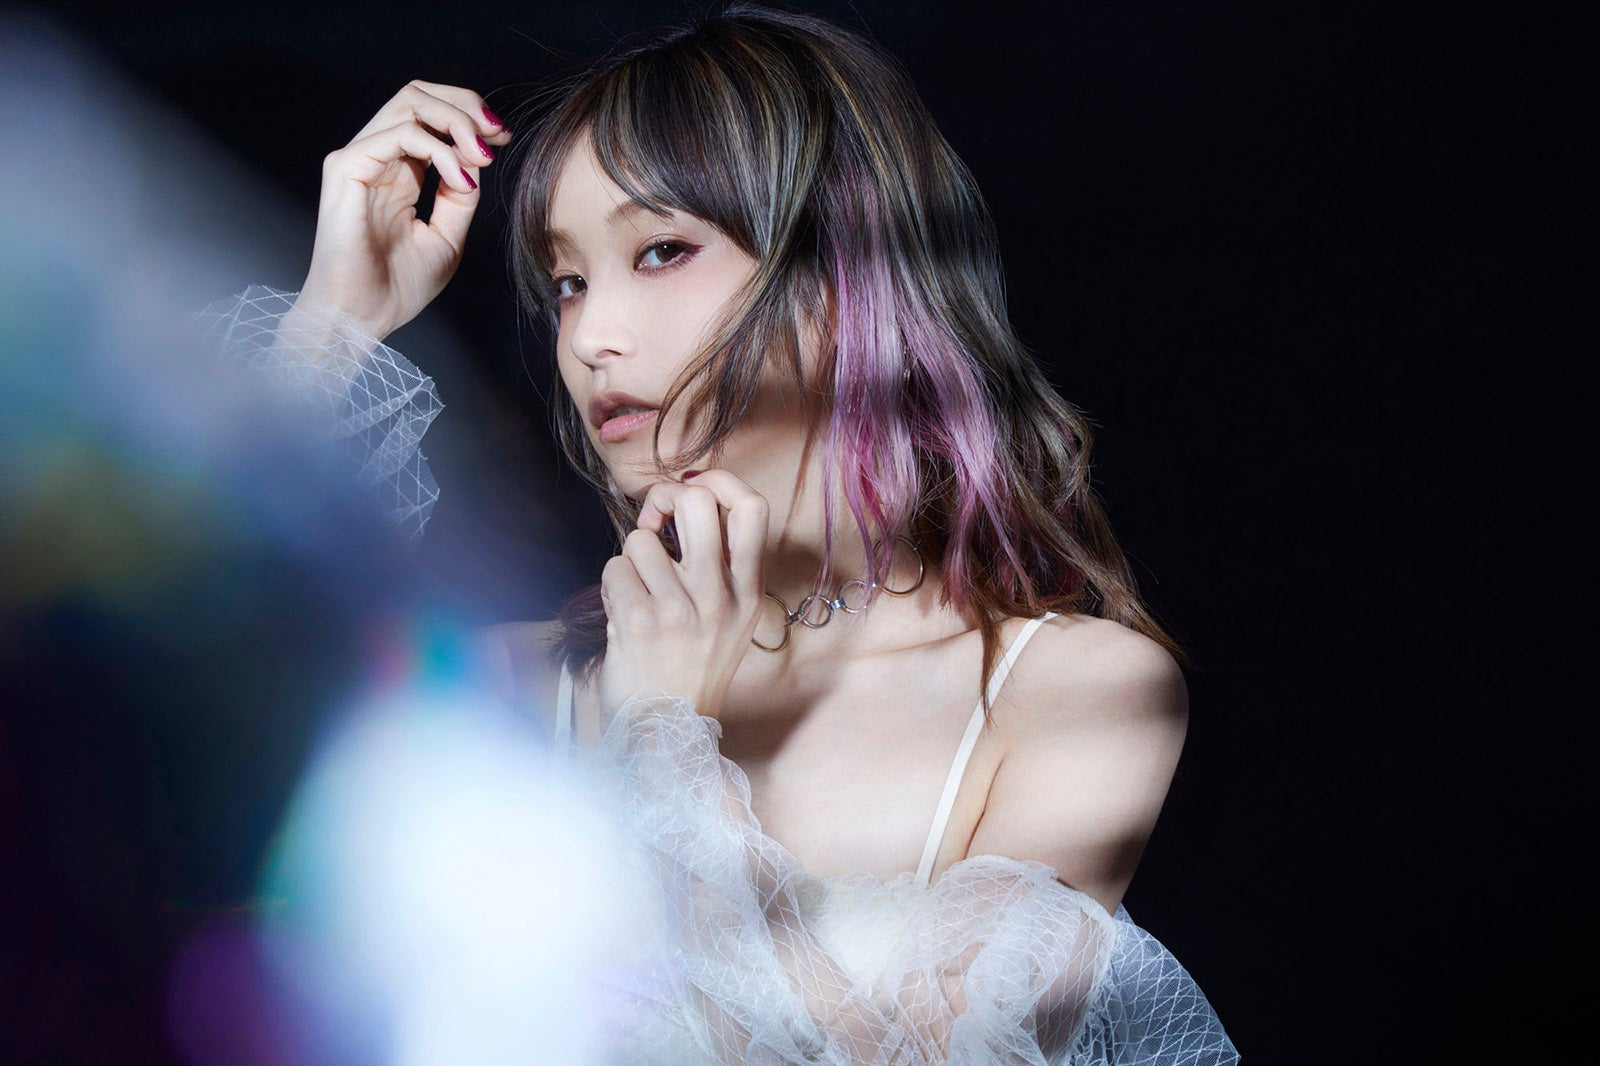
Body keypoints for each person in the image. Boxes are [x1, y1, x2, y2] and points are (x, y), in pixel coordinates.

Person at [198, 4, 1238, 1061]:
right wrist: (338, 323)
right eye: (567, 283)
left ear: (846, 273)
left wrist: (664, 740)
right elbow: (176, 726)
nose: (590, 338)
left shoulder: (1067, 693)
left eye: (660, 251)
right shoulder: (517, 683)